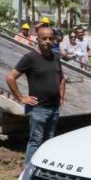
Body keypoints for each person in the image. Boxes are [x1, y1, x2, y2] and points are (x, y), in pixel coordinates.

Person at [7, 26, 66, 166]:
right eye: (44, 38)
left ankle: (43, 169)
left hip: (53, 108)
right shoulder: (30, 58)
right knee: (35, 142)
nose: (48, 41)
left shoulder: (56, 57)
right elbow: (10, 78)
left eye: (51, 38)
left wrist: (61, 97)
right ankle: (28, 171)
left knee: (48, 141)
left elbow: (62, 78)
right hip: (38, 109)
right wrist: (21, 98)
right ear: (37, 39)